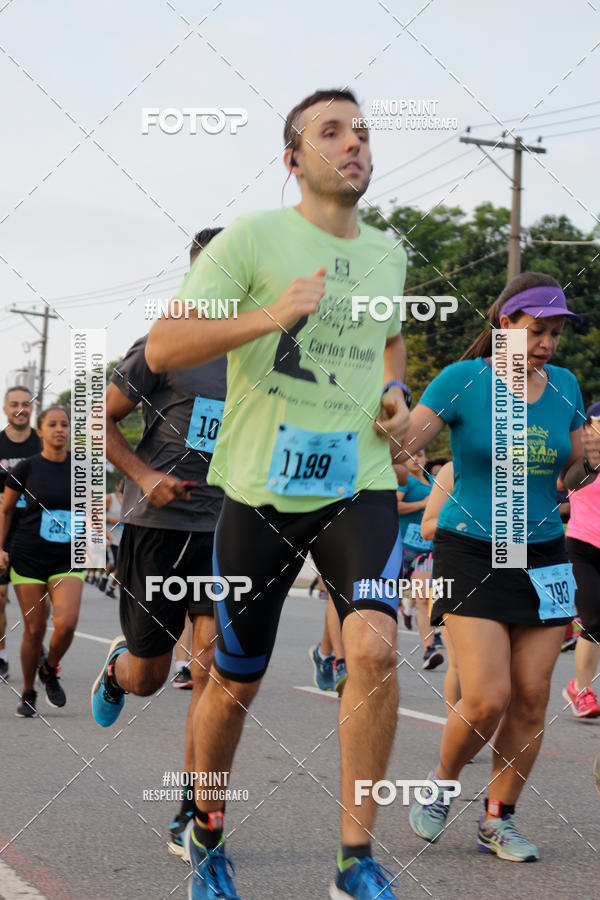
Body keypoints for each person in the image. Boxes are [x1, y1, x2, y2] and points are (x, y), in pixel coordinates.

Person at [145, 88, 410, 900]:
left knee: (372, 648)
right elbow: (163, 345)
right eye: (331, 131)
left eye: (363, 131)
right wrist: (268, 314)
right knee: (235, 679)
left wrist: (396, 389)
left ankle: (353, 861)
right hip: (259, 489)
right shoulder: (253, 237)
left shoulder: (389, 252)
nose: (354, 143)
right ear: (294, 158)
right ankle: (207, 830)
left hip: (358, 480)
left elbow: (391, 338)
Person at [397, 272, 600, 862]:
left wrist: (588, 464)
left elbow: (566, 481)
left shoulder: (563, 385)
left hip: (543, 552)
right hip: (471, 547)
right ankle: (441, 782)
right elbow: (406, 446)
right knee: (486, 696)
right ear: (504, 325)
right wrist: (392, 419)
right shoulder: (464, 380)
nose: (547, 344)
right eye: (538, 331)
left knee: (532, 698)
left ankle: (498, 818)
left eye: (556, 334)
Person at [91, 228, 227, 861]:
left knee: (213, 678)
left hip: (228, 531)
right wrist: (145, 477)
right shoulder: (165, 346)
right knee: (151, 678)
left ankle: (192, 815)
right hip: (158, 529)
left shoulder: (268, 352)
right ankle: (122, 668)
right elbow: (100, 422)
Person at [0, 406, 84, 716]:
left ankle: (48, 670)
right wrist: (0, 549)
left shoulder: (81, 469)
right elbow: (6, 510)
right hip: (29, 555)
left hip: (67, 556)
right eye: (52, 424)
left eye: (64, 424)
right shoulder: (26, 469)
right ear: (41, 432)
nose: (60, 429)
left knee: (66, 624)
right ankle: (29, 690)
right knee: (35, 629)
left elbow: (91, 511)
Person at [0, 385, 41, 680]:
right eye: (14, 404)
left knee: (39, 600)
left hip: (36, 529)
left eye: (26, 404)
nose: (20, 409)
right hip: (2, 527)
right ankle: (1, 656)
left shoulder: (43, 444)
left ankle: (36, 648)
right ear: (5, 409)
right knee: (0, 596)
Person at [562, 402, 600, 718]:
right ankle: (582, 690)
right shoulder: (582, 461)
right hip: (582, 546)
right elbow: (568, 484)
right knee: (594, 620)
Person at [396, 448, 442, 669]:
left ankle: (428, 651)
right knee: (383, 600)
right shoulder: (404, 480)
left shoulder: (434, 481)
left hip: (425, 549)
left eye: (421, 454)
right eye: (411, 454)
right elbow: (395, 506)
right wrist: (422, 504)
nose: (416, 458)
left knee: (424, 599)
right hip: (399, 548)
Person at [420, 461, 460, 710]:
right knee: (460, 662)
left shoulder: (520, 467)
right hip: (454, 573)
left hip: (507, 571)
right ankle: (459, 730)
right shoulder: (452, 470)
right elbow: (427, 529)